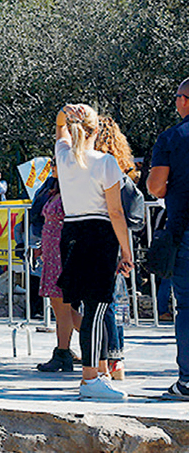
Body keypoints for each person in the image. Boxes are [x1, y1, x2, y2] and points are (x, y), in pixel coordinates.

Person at [53, 104, 133, 400]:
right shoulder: (105, 162)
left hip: (71, 232)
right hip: (98, 235)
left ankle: (99, 371)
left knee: (88, 309)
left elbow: (60, 128)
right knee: (97, 311)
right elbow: (115, 211)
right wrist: (127, 251)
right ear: (96, 129)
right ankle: (89, 379)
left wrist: (64, 112)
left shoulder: (64, 158)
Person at [147, 77, 189, 398]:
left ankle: (187, 380)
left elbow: (156, 187)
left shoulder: (171, 138)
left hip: (184, 230)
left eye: (176, 96)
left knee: (187, 307)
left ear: (185, 101)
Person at [94, 115, 138, 380]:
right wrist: (127, 250)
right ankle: (118, 359)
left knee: (102, 303)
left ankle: (107, 358)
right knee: (117, 300)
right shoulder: (122, 168)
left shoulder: (95, 166)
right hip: (120, 238)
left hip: (100, 235)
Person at [35, 165, 82, 372]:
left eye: (55, 163)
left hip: (62, 253)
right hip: (52, 253)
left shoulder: (73, 190)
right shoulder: (56, 189)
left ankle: (66, 351)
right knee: (61, 307)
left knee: (64, 306)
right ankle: (70, 348)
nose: (52, 166)